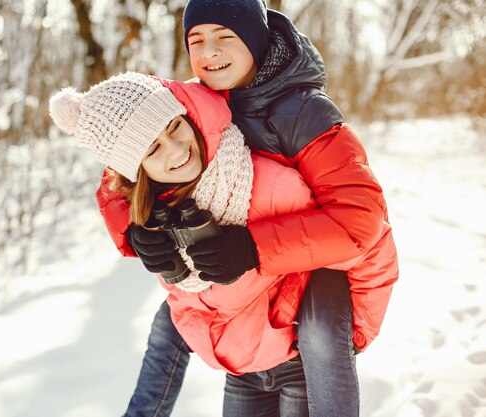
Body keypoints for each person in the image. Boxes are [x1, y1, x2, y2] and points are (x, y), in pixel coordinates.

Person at [94, 1, 399, 417]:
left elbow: (360, 220)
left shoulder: (306, 114)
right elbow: (123, 163)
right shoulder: (193, 101)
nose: (210, 53)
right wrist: (135, 230)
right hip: (248, 303)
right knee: (175, 314)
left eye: (226, 37)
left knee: (320, 326)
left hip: (322, 281)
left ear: (255, 41)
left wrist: (253, 248)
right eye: (197, 41)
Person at [50, 72, 318, 415]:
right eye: (153, 148)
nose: (176, 149)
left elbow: (338, 248)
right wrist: (134, 231)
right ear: (140, 170)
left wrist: (256, 251)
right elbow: (192, 302)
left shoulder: (268, 184)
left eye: (174, 126)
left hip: (299, 365)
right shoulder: (159, 215)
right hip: (241, 369)